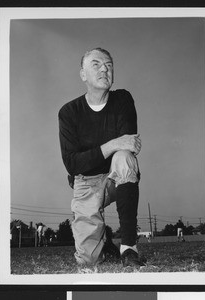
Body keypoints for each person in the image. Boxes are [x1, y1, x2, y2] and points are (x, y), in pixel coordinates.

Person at [58, 47, 146, 267]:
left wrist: (111, 149)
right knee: (88, 261)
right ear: (83, 74)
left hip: (116, 177)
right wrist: (114, 143)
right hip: (85, 182)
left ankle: (128, 248)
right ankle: (104, 243)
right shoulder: (69, 112)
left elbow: (129, 146)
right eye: (96, 64)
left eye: (109, 65)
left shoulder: (123, 99)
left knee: (124, 158)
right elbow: (72, 163)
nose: (104, 69)